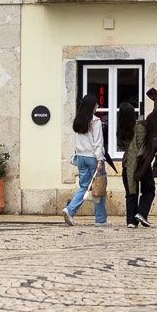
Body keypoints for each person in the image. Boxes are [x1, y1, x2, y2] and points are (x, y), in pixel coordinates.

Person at [62, 93, 106, 225]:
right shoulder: (95, 121)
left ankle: (70, 210)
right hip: (93, 157)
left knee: (84, 186)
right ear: (91, 106)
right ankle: (100, 219)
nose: (97, 106)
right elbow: (98, 142)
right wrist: (100, 160)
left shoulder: (78, 121)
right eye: (96, 104)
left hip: (80, 157)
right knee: (100, 186)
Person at [130, 88, 157, 227]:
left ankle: (136, 218)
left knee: (145, 187)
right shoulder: (155, 117)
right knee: (149, 189)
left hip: (143, 158)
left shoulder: (151, 119)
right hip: (147, 158)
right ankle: (141, 213)